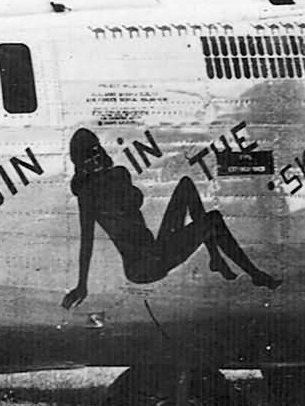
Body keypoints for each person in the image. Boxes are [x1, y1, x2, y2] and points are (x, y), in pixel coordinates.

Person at [62, 128, 280, 309]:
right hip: (144, 268)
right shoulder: (89, 194)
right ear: (80, 163)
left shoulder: (117, 175)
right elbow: (87, 242)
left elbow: (127, 199)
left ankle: (215, 257)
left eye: (96, 150)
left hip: (157, 251)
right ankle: (254, 273)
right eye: (88, 156)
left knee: (186, 185)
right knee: (212, 219)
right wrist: (82, 285)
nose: (95, 157)